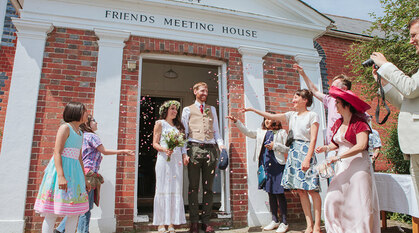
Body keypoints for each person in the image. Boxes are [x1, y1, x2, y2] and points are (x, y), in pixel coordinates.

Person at [242, 89, 321, 233]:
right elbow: (271, 116)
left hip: (305, 150)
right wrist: (253, 110)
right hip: (293, 151)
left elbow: (314, 138)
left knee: (312, 190)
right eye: (293, 96)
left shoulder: (312, 115)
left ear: (305, 100)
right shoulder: (291, 116)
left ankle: (316, 226)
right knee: (301, 191)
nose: (293, 99)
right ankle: (309, 225)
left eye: (296, 97)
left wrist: (308, 158)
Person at [55, 115, 135, 233]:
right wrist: (123, 151)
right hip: (89, 175)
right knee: (85, 207)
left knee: (79, 204)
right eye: (93, 121)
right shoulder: (92, 136)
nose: (96, 123)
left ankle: (60, 229)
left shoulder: (80, 136)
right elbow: (104, 151)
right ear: (87, 124)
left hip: (80, 172)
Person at [315, 86, 380, 233]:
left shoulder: (360, 123)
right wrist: (325, 148)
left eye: (337, 102)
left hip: (359, 165)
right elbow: (336, 143)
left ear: (346, 104)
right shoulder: (338, 123)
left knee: (359, 202)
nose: (335, 105)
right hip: (342, 164)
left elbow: (361, 145)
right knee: (333, 197)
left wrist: (338, 156)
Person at [370, 17, 419, 206]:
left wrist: (386, 65)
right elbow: (407, 101)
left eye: (414, 35)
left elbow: (410, 88)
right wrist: (383, 83)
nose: (410, 40)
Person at [226, 113, 289, 233]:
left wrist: (275, 146)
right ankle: (274, 220)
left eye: (270, 119)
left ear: (275, 120)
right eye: (265, 119)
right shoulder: (261, 132)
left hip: (278, 166)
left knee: (279, 194)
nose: (267, 121)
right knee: (270, 193)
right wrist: (236, 122)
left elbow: (288, 148)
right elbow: (248, 132)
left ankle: (284, 222)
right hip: (265, 167)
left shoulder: (281, 132)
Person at [34, 102, 90, 233]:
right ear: (77, 113)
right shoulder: (65, 128)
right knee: (52, 212)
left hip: (75, 173)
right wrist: (60, 176)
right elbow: (57, 152)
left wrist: (85, 178)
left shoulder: (80, 132)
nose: (88, 113)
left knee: (74, 211)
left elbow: (79, 157)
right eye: (85, 111)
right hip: (62, 170)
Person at [181, 82, 224, 233]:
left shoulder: (211, 109)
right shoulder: (187, 110)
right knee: (193, 188)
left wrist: (222, 147)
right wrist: (184, 153)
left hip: (211, 150)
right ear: (195, 92)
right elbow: (184, 134)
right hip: (194, 149)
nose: (205, 92)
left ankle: (206, 221)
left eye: (206, 90)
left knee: (208, 189)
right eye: (202, 90)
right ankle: (194, 222)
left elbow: (217, 131)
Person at [152, 100, 189, 233]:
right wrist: (164, 149)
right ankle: (161, 223)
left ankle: (171, 223)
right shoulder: (159, 123)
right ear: (166, 110)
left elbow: (183, 145)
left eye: (176, 109)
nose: (174, 111)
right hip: (164, 159)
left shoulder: (179, 126)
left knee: (175, 188)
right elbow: (154, 143)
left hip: (176, 160)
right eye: (172, 109)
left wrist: (185, 155)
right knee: (163, 188)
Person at [293, 64, 352, 144]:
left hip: (346, 144)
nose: (331, 90)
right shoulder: (330, 100)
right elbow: (314, 90)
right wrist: (303, 74)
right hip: (331, 145)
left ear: (344, 88)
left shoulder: (353, 105)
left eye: (334, 87)